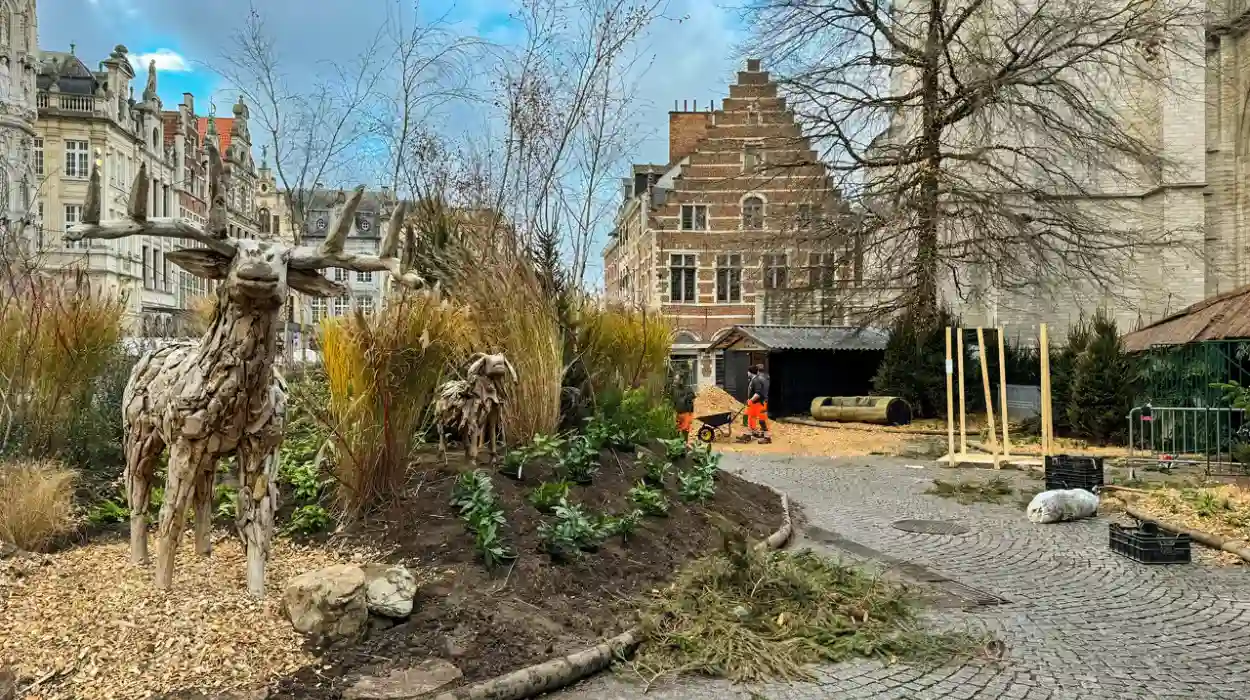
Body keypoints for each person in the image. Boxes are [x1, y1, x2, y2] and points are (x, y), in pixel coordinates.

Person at [737, 364, 771, 444]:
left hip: (760, 403)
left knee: (762, 421)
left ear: (750, 372)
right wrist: (750, 400)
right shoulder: (755, 379)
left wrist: (750, 400)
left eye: (748, 371)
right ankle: (749, 435)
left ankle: (767, 438)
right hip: (755, 403)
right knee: (750, 418)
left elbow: (758, 393)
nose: (747, 373)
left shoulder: (757, 380)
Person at [670, 369, 697, 444]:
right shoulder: (673, 389)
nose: (675, 381)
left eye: (676, 379)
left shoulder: (687, 389)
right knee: (677, 429)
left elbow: (693, 396)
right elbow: (671, 399)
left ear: (681, 380)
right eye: (674, 379)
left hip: (686, 413)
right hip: (677, 413)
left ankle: (685, 444)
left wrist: (685, 398)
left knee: (685, 430)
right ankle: (678, 444)